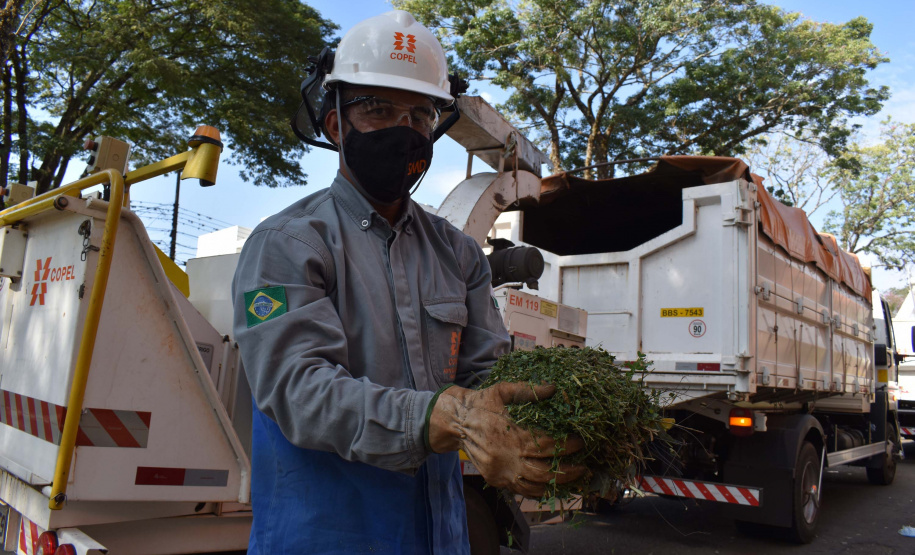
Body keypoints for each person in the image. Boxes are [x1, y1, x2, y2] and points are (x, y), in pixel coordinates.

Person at [232, 10, 583, 554]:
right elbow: (296, 391)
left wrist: (541, 420)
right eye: (377, 110)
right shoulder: (288, 244)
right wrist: (442, 415)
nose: (404, 129)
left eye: (419, 115)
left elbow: (489, 375)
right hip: (324, 539)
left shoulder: (457, 252)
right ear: (335, 125)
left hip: (441, 538)